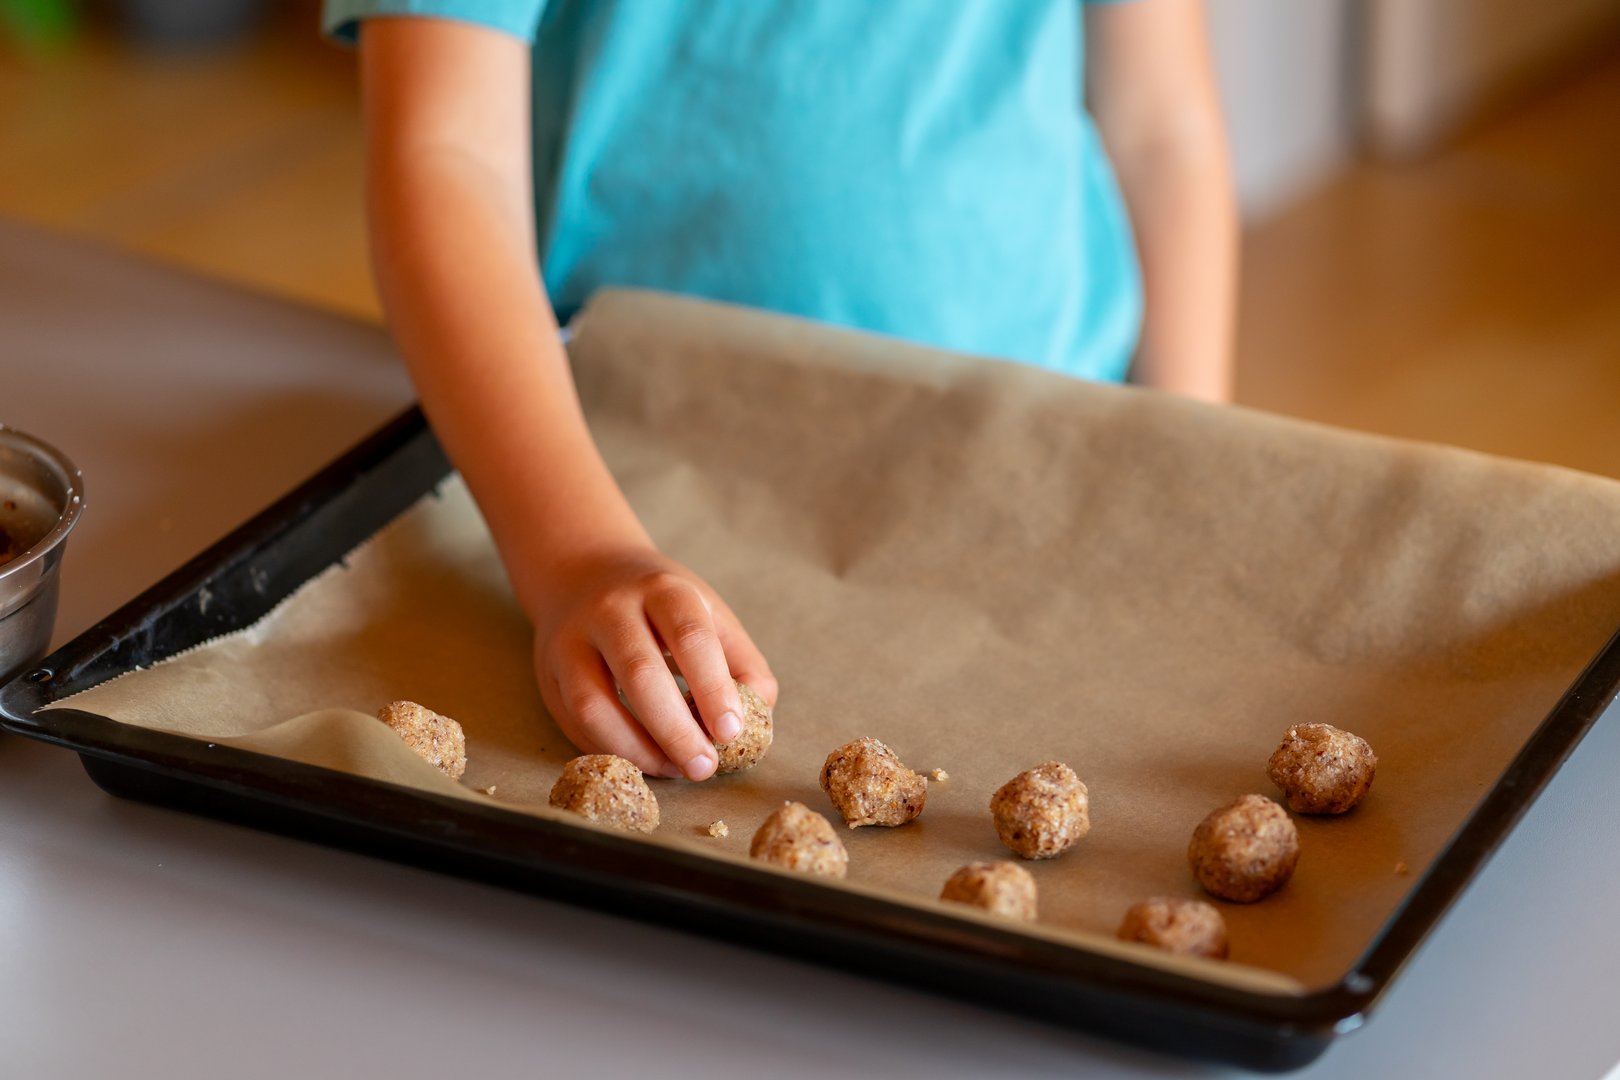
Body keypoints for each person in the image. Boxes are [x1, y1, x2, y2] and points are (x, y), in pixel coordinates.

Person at [324, 0, 1236, 783]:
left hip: (1060, 429)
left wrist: (1191, 452)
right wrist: (577, 557)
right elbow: (448, 153)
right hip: (634, 459)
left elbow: (1162, 129)